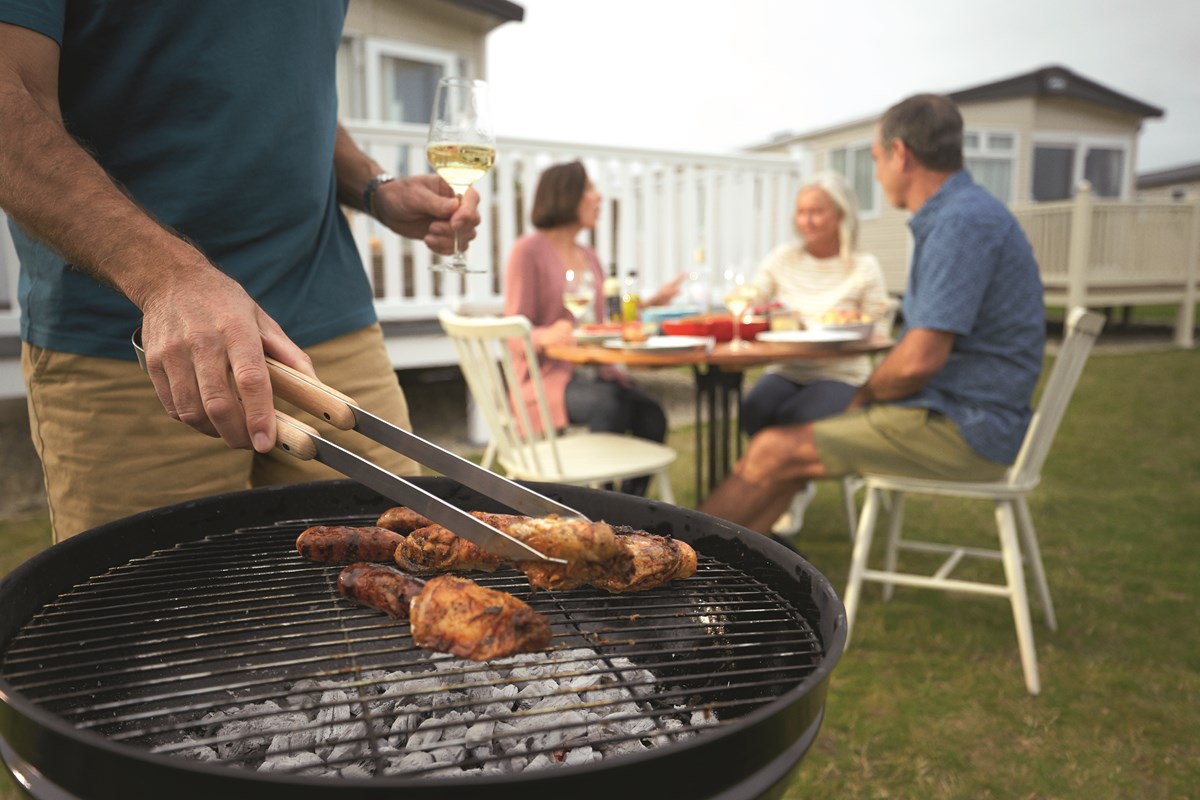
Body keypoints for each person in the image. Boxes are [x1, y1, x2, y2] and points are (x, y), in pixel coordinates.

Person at [0, 4, 481, 541]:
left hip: (324, 318)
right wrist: (167, 278)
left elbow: (288, 85)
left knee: (408, 559)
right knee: (159, 608)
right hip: (127, 344)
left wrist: (374, 187)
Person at [699, 93, 1045, 540]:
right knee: (782, 458)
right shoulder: (966, 213)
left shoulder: (960, 222)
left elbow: (918, 360)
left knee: (769, 451)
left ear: (900, 154)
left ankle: (670, 568)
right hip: (961, 413)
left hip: (966, 427)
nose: (877, 174)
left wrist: (864, 396)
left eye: (877, 158)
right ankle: (724, 582)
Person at [503, 161, 680, 496]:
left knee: (651, 414)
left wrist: (649, 303)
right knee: (609, 406)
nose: (599, 198)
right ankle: (599, 509)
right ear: (565, 194)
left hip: (596, 375)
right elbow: (513, 332)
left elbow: (600, 320)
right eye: (589, 189)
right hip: (545, 382)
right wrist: (543, 335)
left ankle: (627, 507)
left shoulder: (590, 255)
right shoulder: (527, 251)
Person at [740, 172, 889, 534]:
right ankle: (765, 493)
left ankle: (787, 491)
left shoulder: (863, 267)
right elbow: (752, 297)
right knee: (753, 408)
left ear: (841, 215)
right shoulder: (783, 258)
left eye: (817, 212)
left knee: (795, 416)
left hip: (842, 373)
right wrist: (748, 301)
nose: (806, 220)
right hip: (787, 367)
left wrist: (859, 320)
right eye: (801, 212)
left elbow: (879, 329)